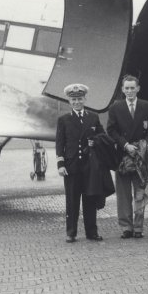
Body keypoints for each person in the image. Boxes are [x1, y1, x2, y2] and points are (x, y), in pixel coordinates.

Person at [56, 83, 104, 243]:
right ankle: (71, 232)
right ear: (69, 101)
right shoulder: (64, 120)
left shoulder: (93, 117)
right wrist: (60, 164)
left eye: (80, 99)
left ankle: (92, 232)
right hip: (72, 166)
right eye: (73, 99)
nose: (77, 102)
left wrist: (95, 142)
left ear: (85, 99)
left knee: (90, 199)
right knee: (72, 201)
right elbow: (60, 143)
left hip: (89, 166)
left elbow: (102, 136)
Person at [107, 75, 148, 239]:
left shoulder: (147, 106)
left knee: (140, 193)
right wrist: (125, 145)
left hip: (140, 157)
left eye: (132, 88)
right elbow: (111, 130)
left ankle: (138, 227)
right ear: (122, 89)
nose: (129, 91)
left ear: (138, 88)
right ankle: (126, 227)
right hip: (122, 157)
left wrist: (143, 146)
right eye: (126, 88)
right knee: (123, 195)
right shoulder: (115, 107)